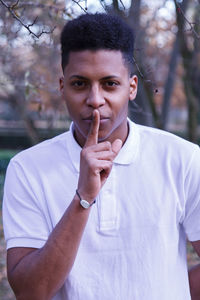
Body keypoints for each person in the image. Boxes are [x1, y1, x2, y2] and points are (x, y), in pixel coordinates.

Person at [3, 13, 200, 300]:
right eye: (80, 84)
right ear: (62, 86)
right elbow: (31, 292)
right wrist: (83, 197)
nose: (95, 99)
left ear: (131, 87)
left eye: (109, 84)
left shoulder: (182, 159)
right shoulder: (28, 168)